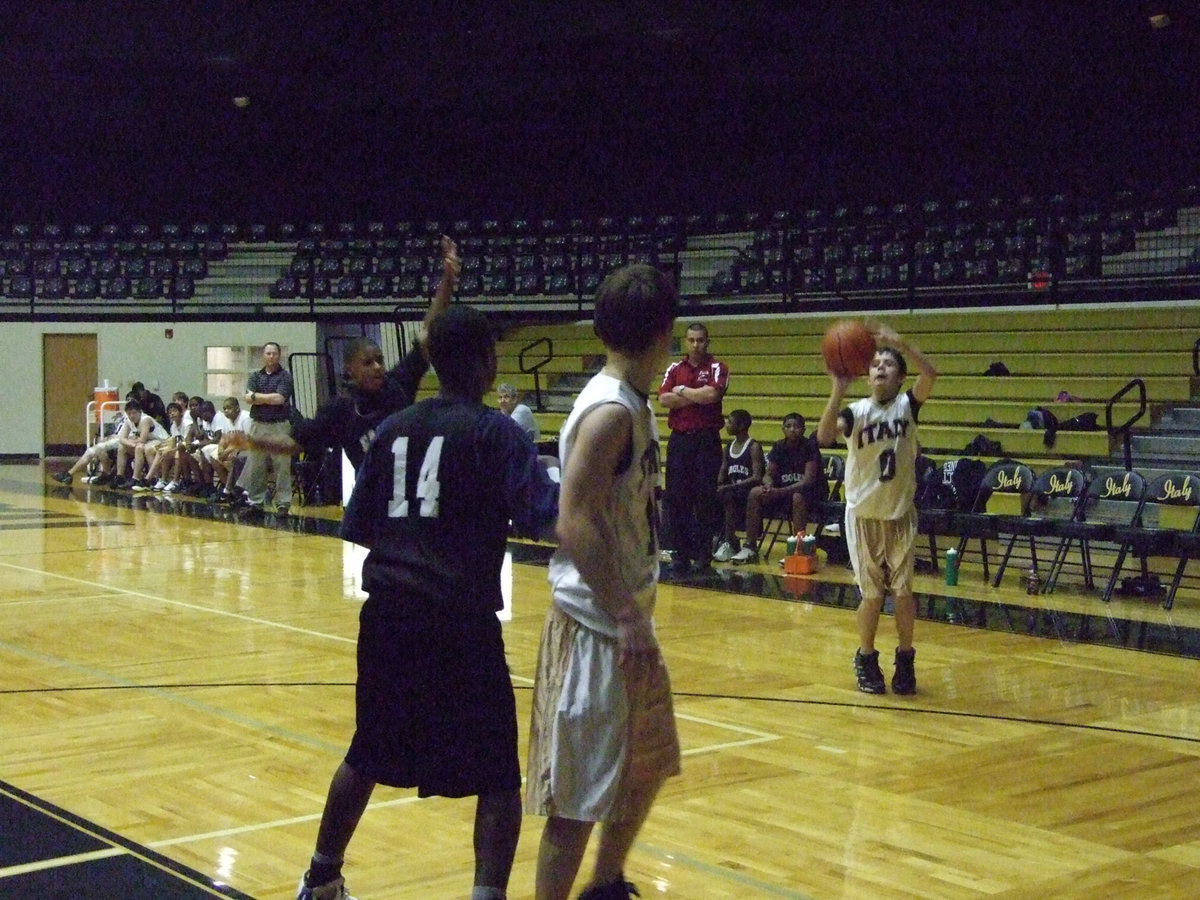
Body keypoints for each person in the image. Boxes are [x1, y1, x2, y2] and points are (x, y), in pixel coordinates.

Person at [294, 304, 559, 900]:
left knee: (366, 752)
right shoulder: (498, 433)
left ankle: (320, 877)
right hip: (459, 618)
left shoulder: (393, 428)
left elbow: (357, 525)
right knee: (496, 774)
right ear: (488, 363)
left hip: (387, 612)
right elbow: (546, 518)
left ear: (434, 361)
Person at [526, 264, 681, 900]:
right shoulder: (610, 413)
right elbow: (574, 520)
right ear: (665, 336)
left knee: (648, 761)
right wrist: (624, 613)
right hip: (597, 624)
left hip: (622, 618)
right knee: (577, 798)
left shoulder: (631, 403)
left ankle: (607, 885)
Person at [222, 237, 460, 479]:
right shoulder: (340, 410)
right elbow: (294, 444)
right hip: (372, 502)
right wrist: (251, 442)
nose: (377, 367)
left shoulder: (398, 384)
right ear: (350, 369)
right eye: (368, 362)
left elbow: (428, 333)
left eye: (379, 359)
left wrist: (448, 281)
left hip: (412, 495)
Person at [816, 324, 937, 695]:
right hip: (863, 515)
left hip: (899, 514)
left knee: (902, 593)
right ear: (866, 375)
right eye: (875, 363)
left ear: (900, 376)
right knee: (872, 595)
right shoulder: (855, 412)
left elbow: (930, 373)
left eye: (888, 364)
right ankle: (866, 657)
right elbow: (823, 438)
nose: (880, 367)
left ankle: (905, 658)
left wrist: (898, 342)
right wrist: (838, 387)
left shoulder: (908, 405)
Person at [657, 321, 729, 575]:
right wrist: (696, 395)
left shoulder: (717, 367)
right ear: (685, 342)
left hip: (706, 440)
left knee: (704, 497)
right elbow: (664, 398)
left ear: (707, 341)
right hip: (680, 440)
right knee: (677, 498)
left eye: (700, 340)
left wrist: (683, 392)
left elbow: (713, 396)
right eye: (691, 340)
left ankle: (703, 555)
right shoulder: (674, 368)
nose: (696, 344)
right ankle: (680, 554)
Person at [729, 412, 827, 564]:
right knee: (756, 492)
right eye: (788, 426)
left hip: (810, 496)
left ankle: (798, 548)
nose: (792, 429)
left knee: (797, 497)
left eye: (796, 426)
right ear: (782, 429)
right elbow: (768, 474)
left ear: (803, 429)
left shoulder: (810, 447)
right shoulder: (779, 446)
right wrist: (768, 485)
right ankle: (750, 547)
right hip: (784, 493)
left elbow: (808, 481)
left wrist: (779, 491)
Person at [238, 341, 295, 513]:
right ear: (263, 356)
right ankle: (256, 501)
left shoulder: (285, 376)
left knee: (282, 466)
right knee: (256, 465)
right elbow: (247, 399)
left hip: (279, 426)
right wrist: (263, 397)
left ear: (279, 355)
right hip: (258, 425)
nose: (271, 356)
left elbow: (279, 399)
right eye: (268, 353)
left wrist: (257, 396)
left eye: (274, 353)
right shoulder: (255, 376)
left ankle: (283, 503)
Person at [712, 409, 765, 562]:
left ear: (741, 426)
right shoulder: (728, 447)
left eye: (730, 422)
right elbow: (722, 472)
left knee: (729, 495)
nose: (726, 425)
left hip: (750, 492)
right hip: (734, 491)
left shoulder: (753, 446)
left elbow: (756, 477)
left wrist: (728, 487)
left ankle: (749, 545)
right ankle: (727, 541)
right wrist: (716, 485)